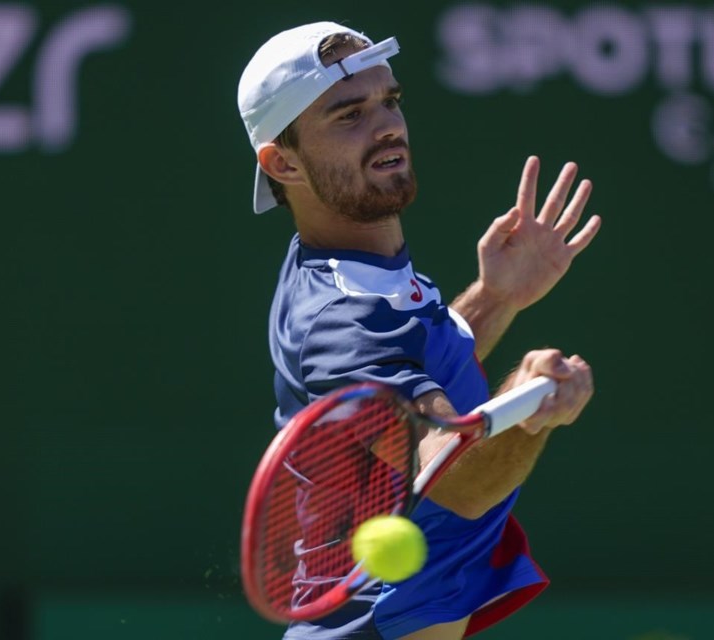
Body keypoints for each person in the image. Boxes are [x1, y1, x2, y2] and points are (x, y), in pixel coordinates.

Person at [237, 21, 601, 640]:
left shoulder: (350, 270)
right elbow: (455, 482)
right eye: (349, 114)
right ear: (283, 161)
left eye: (390, 101)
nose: (387, 127)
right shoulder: (340, 322)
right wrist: (533, 408)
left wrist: (494, 299)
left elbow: (414, 358)